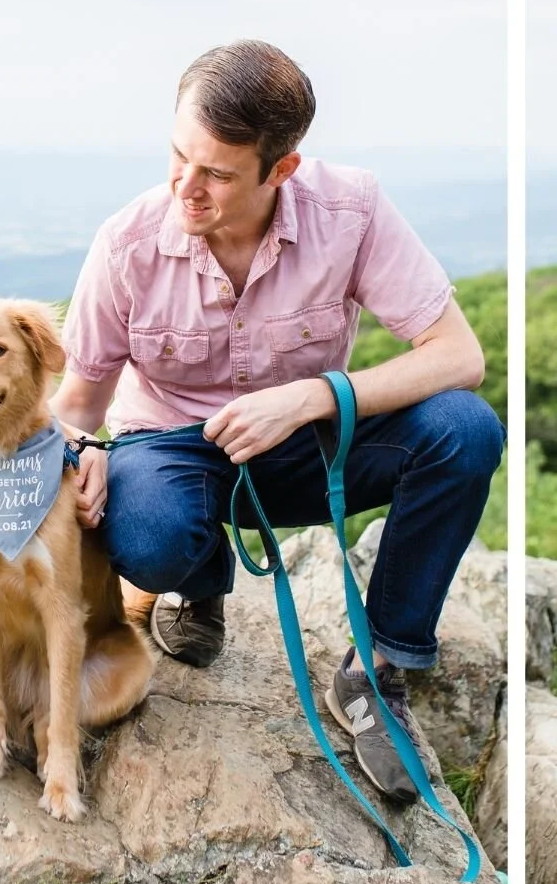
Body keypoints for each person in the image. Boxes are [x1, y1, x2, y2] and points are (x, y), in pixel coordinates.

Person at [52, 40, 505, 804]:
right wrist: (82, 457)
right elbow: (76, 410)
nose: (183, 189)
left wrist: (314, 396)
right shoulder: (126, 243)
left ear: (281, 169)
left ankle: (376, 674)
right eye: (177, 157)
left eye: (216, 174)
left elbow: (459, 356)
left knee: (466, 430)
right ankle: (198, 588)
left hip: (310, 445)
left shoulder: (350, 209)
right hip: (172, 451)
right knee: (151, 537)